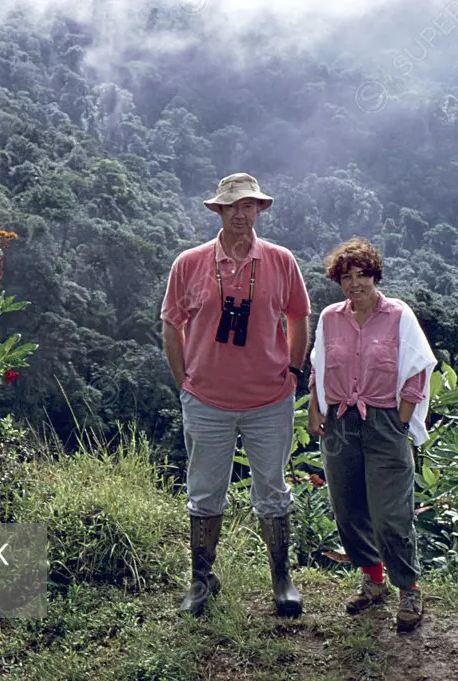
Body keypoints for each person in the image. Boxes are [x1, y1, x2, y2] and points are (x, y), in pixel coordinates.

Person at [161, 172, 311, 618]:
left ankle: (281, 579)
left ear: (259, 210)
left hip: (270, 399)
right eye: (232, 206)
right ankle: (202, 579)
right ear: (219, 211)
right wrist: (184, 380)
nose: (241, 214)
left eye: (249, 206)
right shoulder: (189, 263)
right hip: (206, 400)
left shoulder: (281, 261)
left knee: (272, 489)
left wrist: (294, 371)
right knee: (205, 492)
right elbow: (172, 323)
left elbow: (299, 316)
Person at [307, 237, 437, 633]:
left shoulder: (398, 315)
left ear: (375, 275)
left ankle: (408, 589)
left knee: (391, 515)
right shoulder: (331, 317)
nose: (355, 284)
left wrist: (403, 416)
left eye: (362, 275)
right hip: (341, 422)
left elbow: (417, 367)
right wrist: (315, 408)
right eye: (346, 277)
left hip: (384, 422)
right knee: (348, 509)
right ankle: (372, 580)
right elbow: (319, 366)